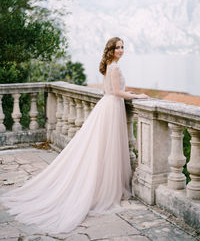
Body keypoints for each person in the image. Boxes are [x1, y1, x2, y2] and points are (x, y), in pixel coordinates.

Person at [1, 37, 149, 234]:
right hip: (112, 108)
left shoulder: (109, 66)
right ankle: (103, 190)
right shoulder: (114, 68)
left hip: (108, 106)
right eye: (118, 47)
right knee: (107, 148)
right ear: (111, 50)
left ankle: (103, 185)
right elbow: (116, 93)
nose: (121, 50)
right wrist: (136, 96)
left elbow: (108, 90)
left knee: (102, 148)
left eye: (123, 47)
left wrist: (125, 91)